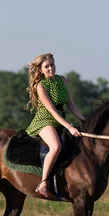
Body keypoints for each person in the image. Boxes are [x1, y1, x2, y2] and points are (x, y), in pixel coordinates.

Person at [24, 53, 86, 197]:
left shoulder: (63, 80)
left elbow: (71, 104)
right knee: (56, 146)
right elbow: (51, 110)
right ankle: (44, 182)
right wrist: (69, 127)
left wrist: (84, 120)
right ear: (40, 70)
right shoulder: (41, 86)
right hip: (45, 120)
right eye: (47, 66)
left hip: (60, 119)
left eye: (52, 64)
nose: (51, 68)